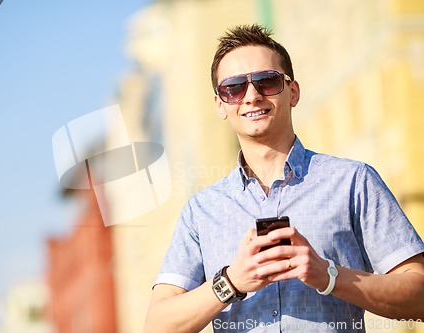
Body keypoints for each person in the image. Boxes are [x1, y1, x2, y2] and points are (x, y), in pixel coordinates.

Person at [144, 24, 424, 333]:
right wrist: (231, 282)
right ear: (220, 105)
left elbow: (419, 294)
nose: (251, 96)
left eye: (266, 81)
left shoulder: (353, 182)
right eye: (233, 88)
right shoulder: (201, 211)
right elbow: (158, 325)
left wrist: (327, 275)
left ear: (293, 92)